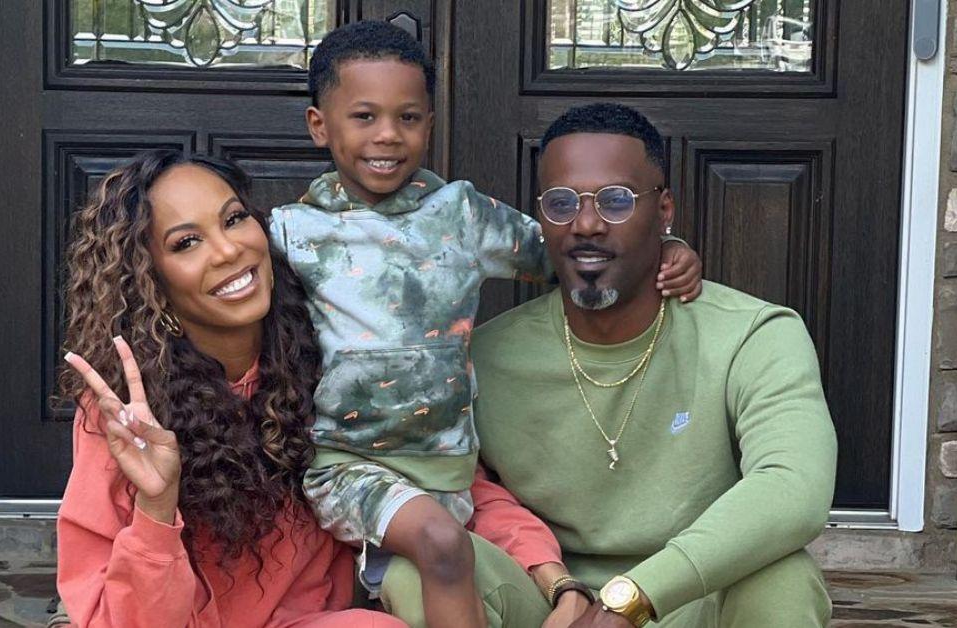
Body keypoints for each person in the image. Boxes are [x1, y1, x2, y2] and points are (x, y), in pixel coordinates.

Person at [268, 21, 703, 628]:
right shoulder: (292, 233)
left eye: (409, 117)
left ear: (429, 122)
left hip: (449, 466)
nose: (388, 136)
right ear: (321, 125)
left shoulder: (462, 215)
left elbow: (569, 251)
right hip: (346, 463)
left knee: (449, 570)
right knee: (442, 547)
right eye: (364, 117)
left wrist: (668, 244)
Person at [465, 103, 837, 627]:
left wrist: (634, 598)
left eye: (616, 201)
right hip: (553, 604)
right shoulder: (487, 355)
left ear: (664, 212)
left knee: (784, 576)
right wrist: (563, 588)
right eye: (562, 202)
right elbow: (460, 491)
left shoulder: (752, 334)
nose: (587, 223)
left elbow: (794, 488)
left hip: (692, 598)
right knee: (424, 567)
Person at [54, 150, 407, 628]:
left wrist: (543, 570)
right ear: (151, 283)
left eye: (234, 219)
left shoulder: (332, 356)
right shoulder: (125, 411)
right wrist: (157, 506)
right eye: (186, 243)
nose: (227, 251)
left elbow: (443, 471)